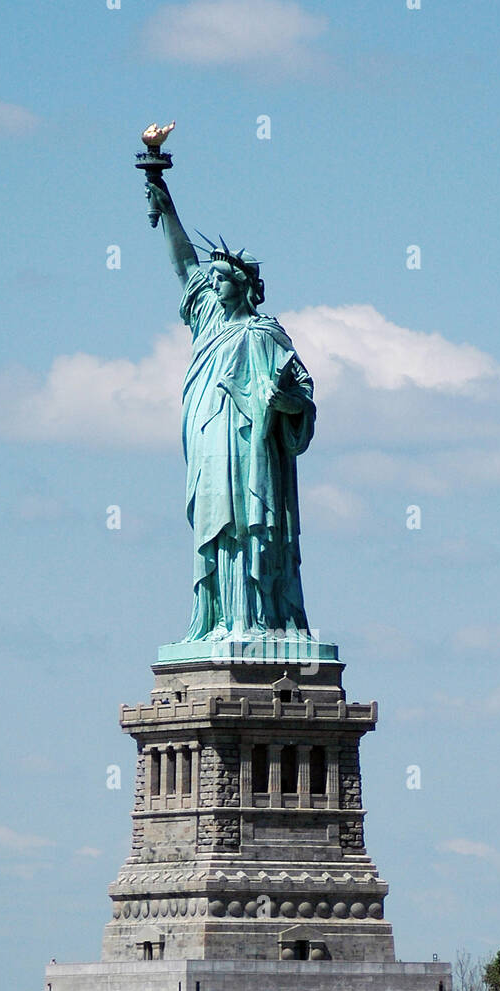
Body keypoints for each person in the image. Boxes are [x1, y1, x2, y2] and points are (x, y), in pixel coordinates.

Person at [145, 178, 316, 644]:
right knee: (217, 526)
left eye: (221, 278)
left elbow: (303, 394)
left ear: (242, 287)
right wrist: (167, 207)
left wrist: (287, 403)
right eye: (213, 278)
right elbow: (184, 267)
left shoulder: (266, 334)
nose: (212, 283)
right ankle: (219, 620)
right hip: (208, 438)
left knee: (253, 525)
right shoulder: (208, 321)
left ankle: (259, 620)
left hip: (253, 446)